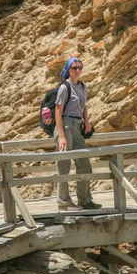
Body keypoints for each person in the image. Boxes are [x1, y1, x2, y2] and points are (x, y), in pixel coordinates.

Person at [54, 57, 102, 211]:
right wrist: (61, 136)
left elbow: (84, 105)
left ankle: (85, 200)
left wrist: (86, 122)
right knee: (64, 164)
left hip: (77, 125)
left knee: (84, 163)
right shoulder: (64, 87)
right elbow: (58, 112)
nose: (78, 70)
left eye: (80, 67)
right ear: (68, 69)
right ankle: (64, 202)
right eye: (74, 68)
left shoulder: (82, 85)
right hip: (65, 125)